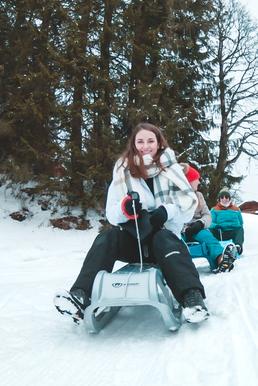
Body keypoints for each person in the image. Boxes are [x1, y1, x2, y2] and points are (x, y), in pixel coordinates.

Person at [54, 123, 209, 325]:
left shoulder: (173, 170)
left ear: (159, 143)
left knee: (164, 237)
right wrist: (125, 209)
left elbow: (188, 211)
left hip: (163, 244)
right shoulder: (121, 171)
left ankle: (191, 299)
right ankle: (81, 295)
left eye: (151, 141)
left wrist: (167, 211)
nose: (146, 146)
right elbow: (111, 213)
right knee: (107, 237)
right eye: (141, 141)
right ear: (134, 145)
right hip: (134, 240)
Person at [181, 165, 237, 272]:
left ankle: (222, 260)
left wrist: (201, 223)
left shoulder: (199, 196)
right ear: (188, 181)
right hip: (180, 231)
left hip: (197, 229)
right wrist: (184, 229)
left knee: (208, 239)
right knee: (173, 243)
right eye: (196, 179)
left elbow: (207, 215)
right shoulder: (175, 196)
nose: (199, 182)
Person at [209, 188, 245, 255]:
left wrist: (236, 226)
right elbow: (210, 222)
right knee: (210, 230)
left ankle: (237, 247)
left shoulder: (236, 209)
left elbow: (241, 222)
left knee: (240, 229)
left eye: (226, 197)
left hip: (232, 231)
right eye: (222, 197)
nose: (224, 199)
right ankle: (213, 248)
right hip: (220, 232)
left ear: (229, 198)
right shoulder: (214, 209)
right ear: (219, 199)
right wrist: (215, 226)